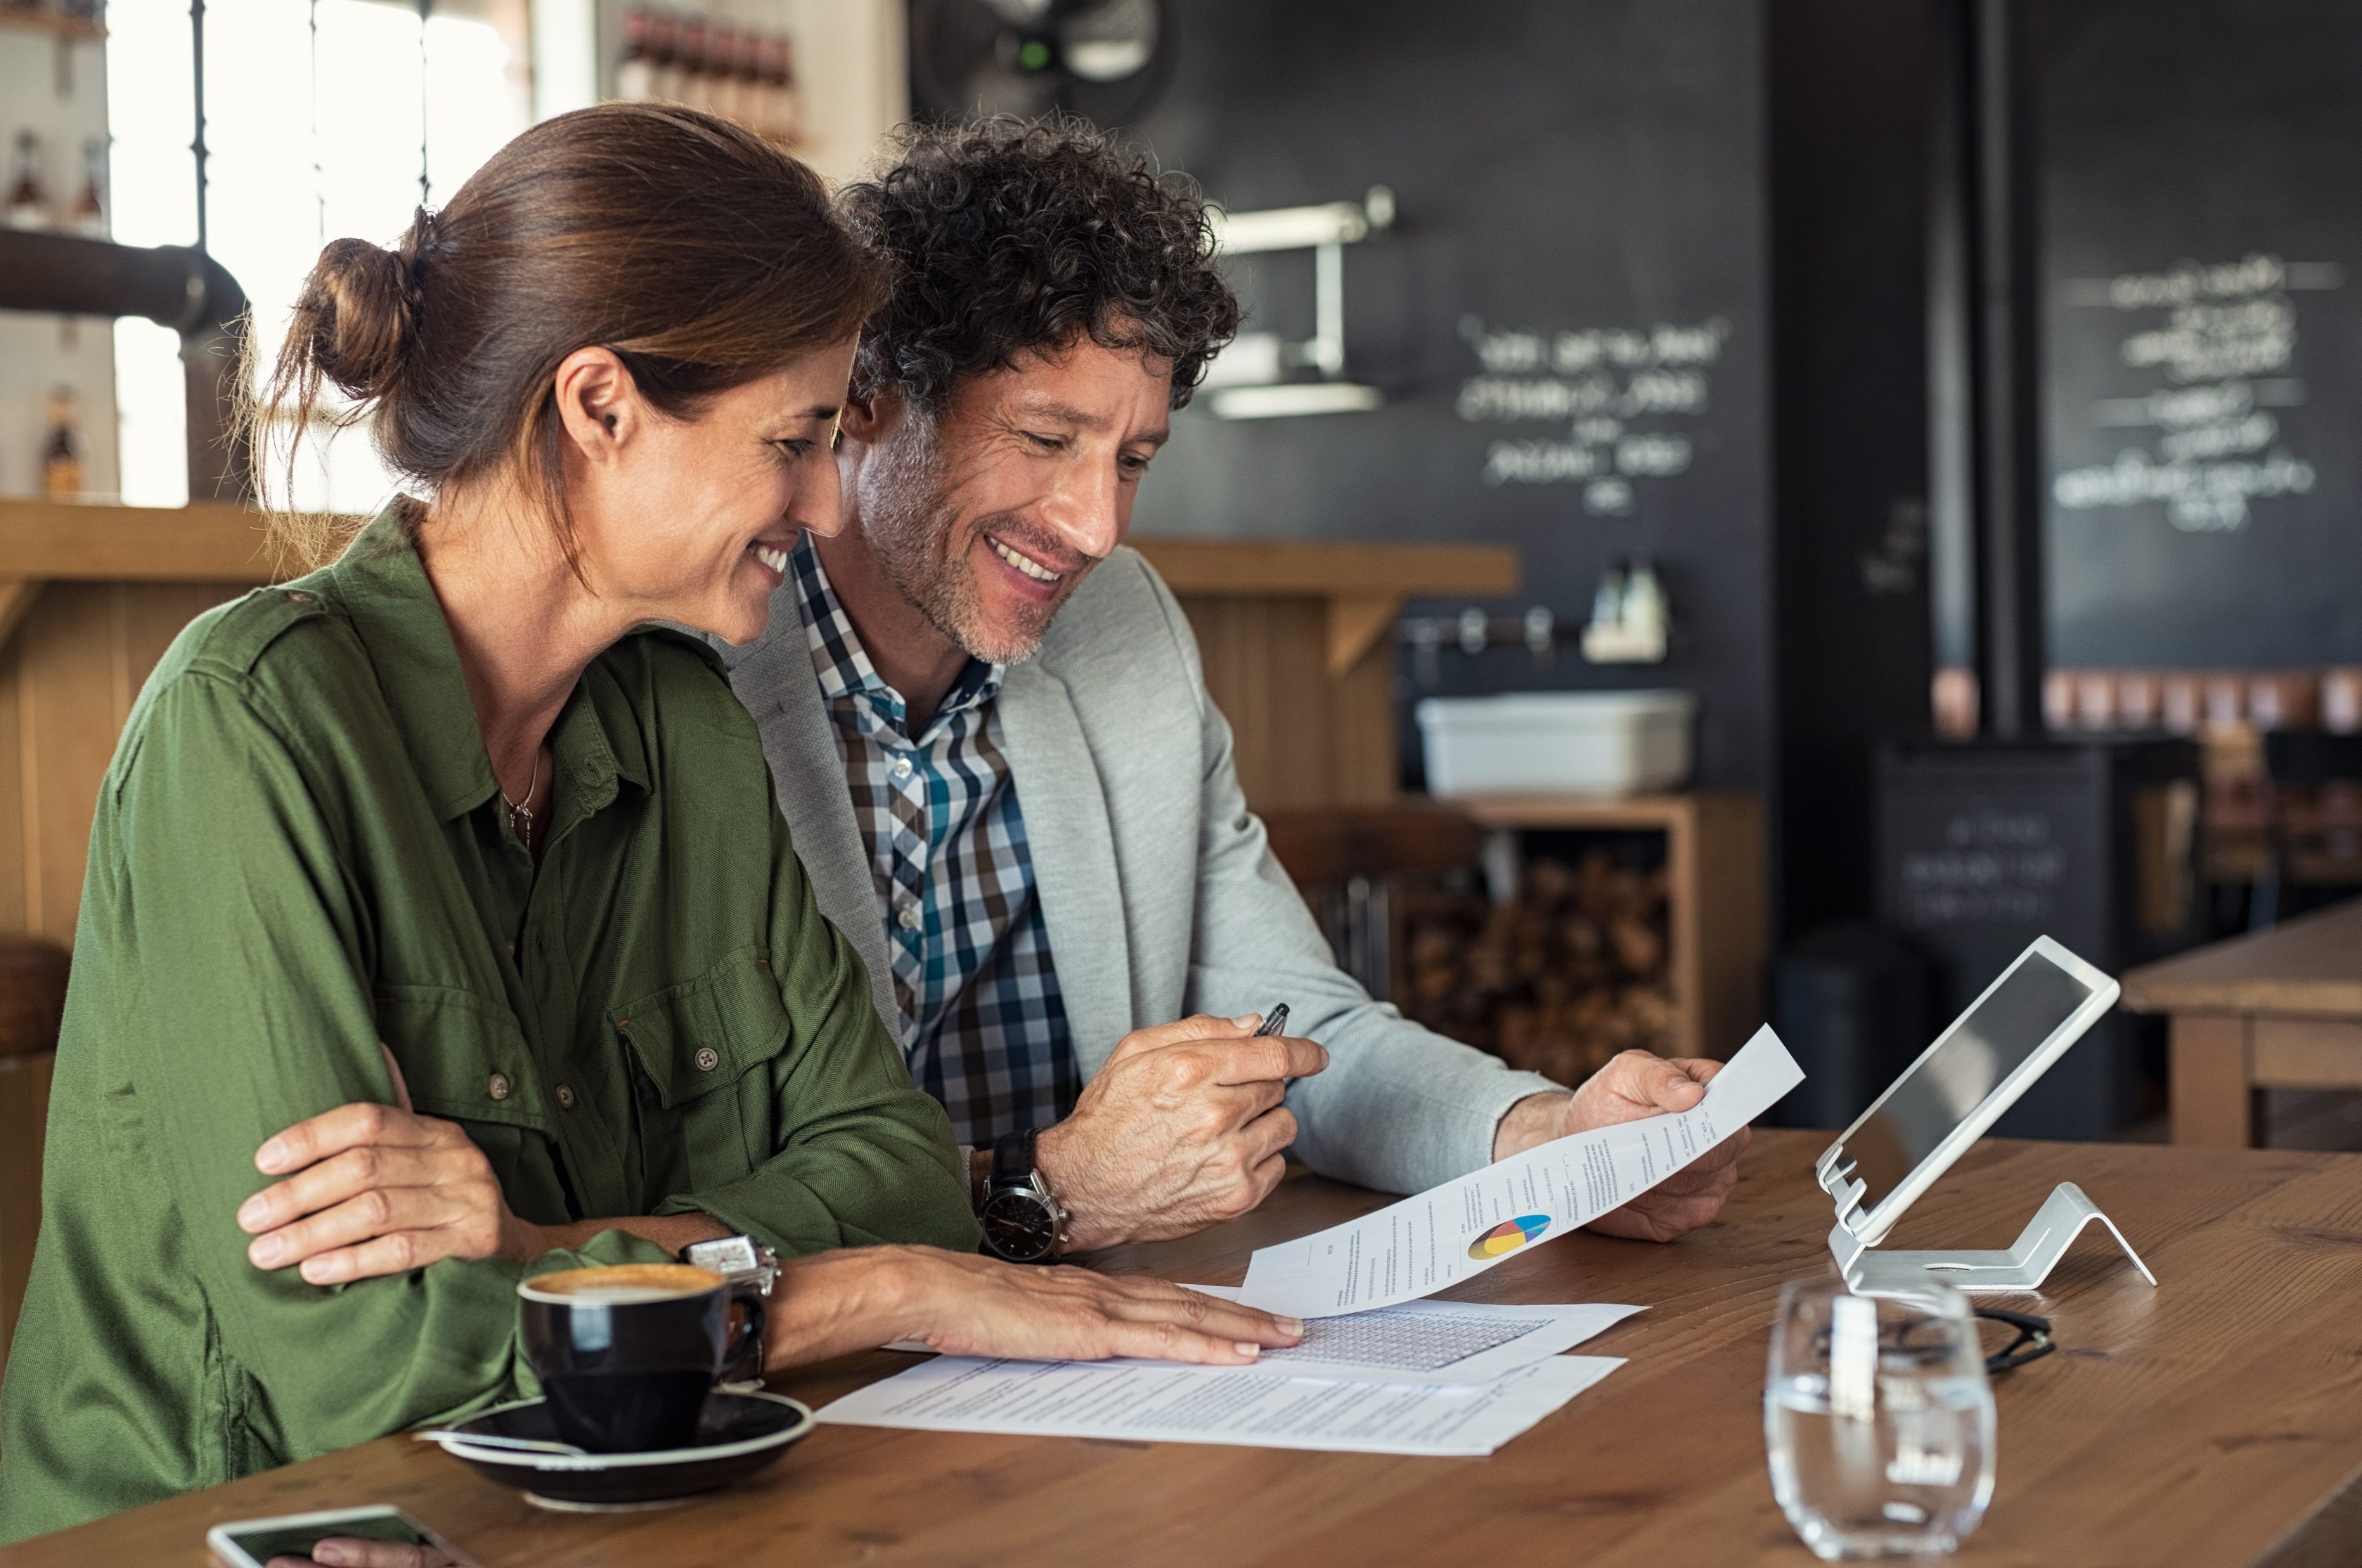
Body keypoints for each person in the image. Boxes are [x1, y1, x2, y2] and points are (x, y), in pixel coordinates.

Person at [0, 105, 1296, 1545]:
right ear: (599, 407)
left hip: (617, 1504)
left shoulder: (684, 720)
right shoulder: (248, 728)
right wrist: (871, 1289)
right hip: (249, 1527)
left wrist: (545, 1252)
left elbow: (898, 1168)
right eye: (796, 440)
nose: (822, 503)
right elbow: (369, 1364)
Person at [721, 115, 1750, 1259]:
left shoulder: (1127, 630)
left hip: (1079, 1341)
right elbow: (696, 1177)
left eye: (1132, 459)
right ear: (868, 397)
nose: (1096, 527)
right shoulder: (694, 668)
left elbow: (1297, 1030)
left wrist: (1550, 1135)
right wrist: (1038, 1189)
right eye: (1045, 437)